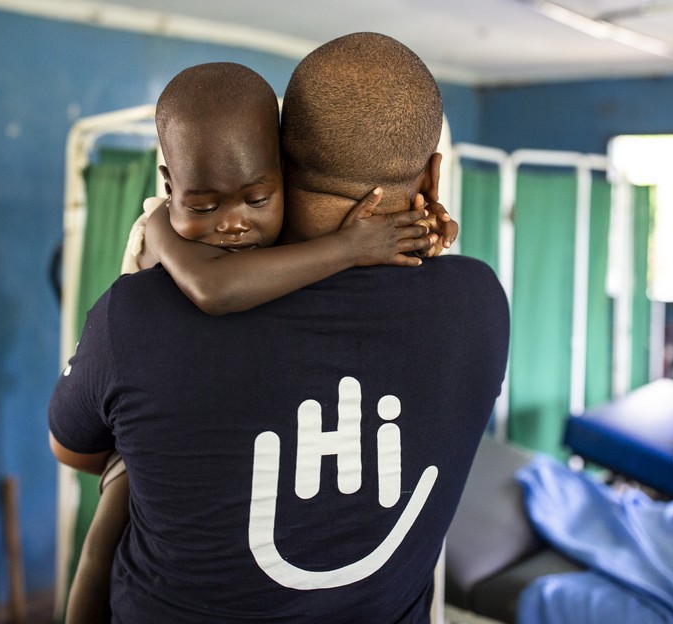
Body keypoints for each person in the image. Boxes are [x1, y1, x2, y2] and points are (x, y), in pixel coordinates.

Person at [49, 32, 510, 623]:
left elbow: (73, 449)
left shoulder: (138, 312)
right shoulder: (479, 304)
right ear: (433, 176)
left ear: (279, 162)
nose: (232, 222)